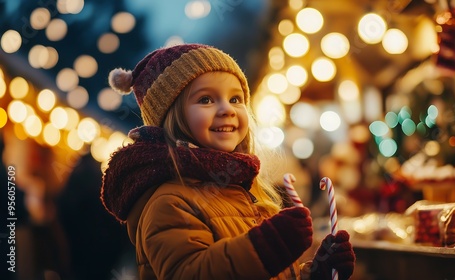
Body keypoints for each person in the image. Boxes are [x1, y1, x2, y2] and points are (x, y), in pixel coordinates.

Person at [101, 43, 355, 280]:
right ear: (172, 117)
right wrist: (266, 247)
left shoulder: (242, 187)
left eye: (235, 99)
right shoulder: (169, 200)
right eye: (206, 99)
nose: (227, 109)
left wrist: (316, 273)